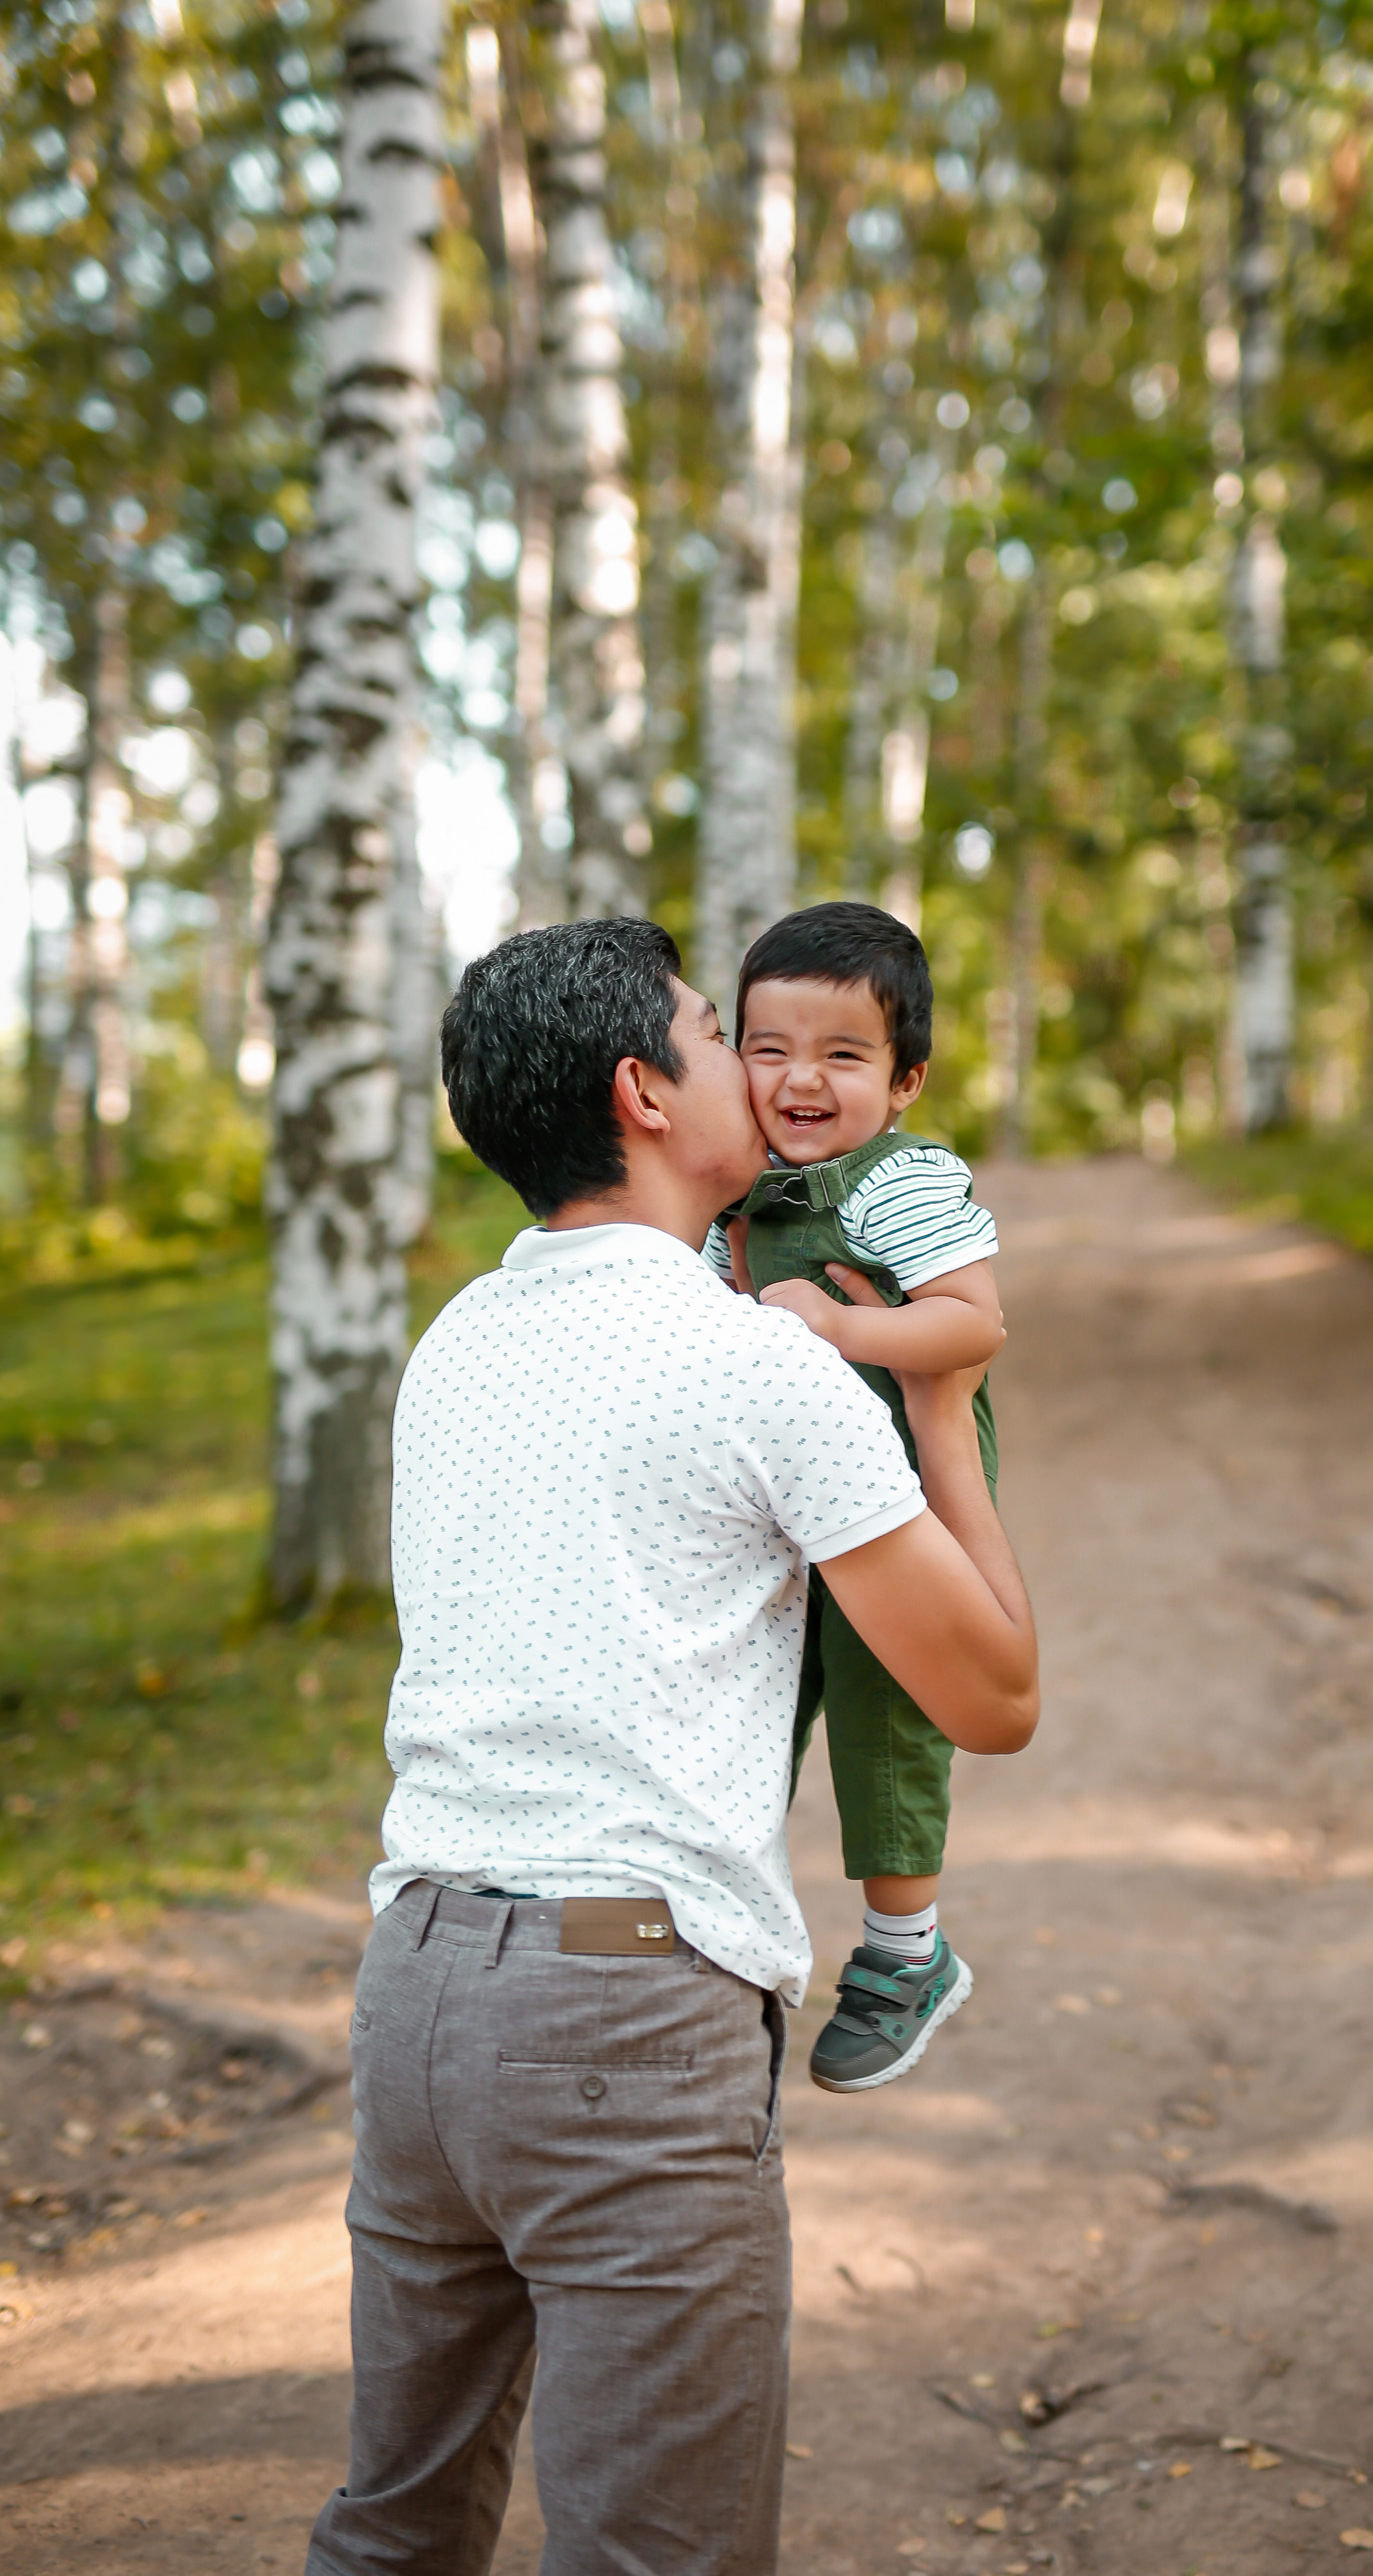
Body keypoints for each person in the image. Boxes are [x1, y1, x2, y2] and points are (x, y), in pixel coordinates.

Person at [304, 915, 1038, 2576]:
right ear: (644, 1092)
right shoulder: (757, 1366)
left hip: (415, 1987)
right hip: (624, 2020)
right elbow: (992, 1696)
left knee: (394, 2521)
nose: (763, 1075)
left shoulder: (455, 1347)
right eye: (720, 1038)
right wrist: (937, 1418)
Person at [703, 903, 1005, 2096]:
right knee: (745, 1692)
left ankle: (903, 1955)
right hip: (772, 1496)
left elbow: (973, 1319)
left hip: (894, 1481)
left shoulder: (904, 1179)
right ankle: (713, 1918)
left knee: (889, 1704)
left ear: (906, 1077)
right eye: (769, 1049)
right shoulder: (732, 1186)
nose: (801, 1080)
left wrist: (842, 1325)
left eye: (843, 1055)